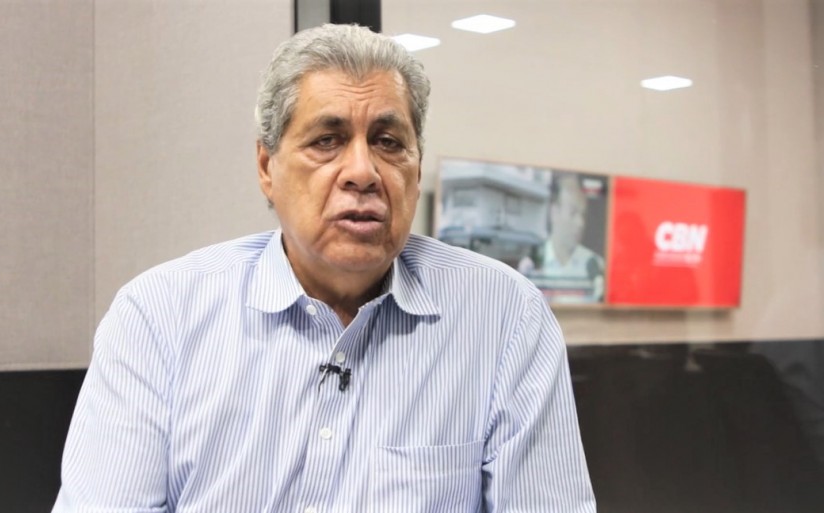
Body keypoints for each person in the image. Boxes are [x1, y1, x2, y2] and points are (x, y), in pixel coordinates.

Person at [53, 24, 595, 512]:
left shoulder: (505, 318)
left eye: (388, 142)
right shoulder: (158, 317)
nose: (362, 172)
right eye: (327, 141)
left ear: (416, 169)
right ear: (267, 167)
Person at [538, 173, 605, 303]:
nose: (581, 223)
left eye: (583, 215)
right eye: (573, 213)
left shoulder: (596, 265)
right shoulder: (533, 261)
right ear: (554, 212)